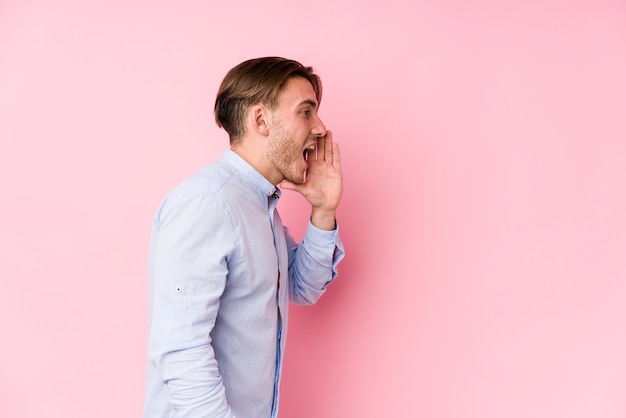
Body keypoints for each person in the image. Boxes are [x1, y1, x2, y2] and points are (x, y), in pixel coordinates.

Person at [143, 57, 345, 418]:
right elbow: (181, 348)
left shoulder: (259, 206)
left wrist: (323, 210)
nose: (320, 128)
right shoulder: (207, 204)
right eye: (305, 112)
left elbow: (301, 286)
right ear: (260, 120)